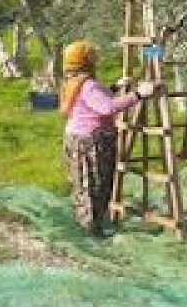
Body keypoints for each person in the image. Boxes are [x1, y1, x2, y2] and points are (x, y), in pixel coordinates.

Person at [59, 39, 155, 237]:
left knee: (84, 185)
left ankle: (88, 224)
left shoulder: (73, 82)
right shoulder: (88, 85)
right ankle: (92, 231)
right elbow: (107, 107)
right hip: (90, 142)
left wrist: (114, 87)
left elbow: (92, 101)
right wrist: (138, 94)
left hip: (77, 138)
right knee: (94, 185)